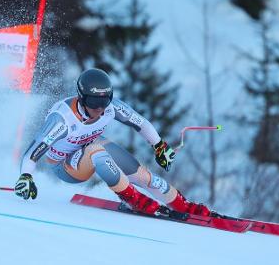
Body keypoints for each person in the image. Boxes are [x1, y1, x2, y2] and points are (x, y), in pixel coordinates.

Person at [14, 68, 211, 216]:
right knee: (96, 150)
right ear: (82, 98)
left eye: (105, 100)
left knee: (141, 174)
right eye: (93, 102)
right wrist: (25, 177)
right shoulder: (62, 119)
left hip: (90, 146)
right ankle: (135, 200)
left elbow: (140, 123)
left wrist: (159, 146)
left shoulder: (111, 107)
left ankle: (182, 204)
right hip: (64, 164)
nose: (100, 108)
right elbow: (33, 152)